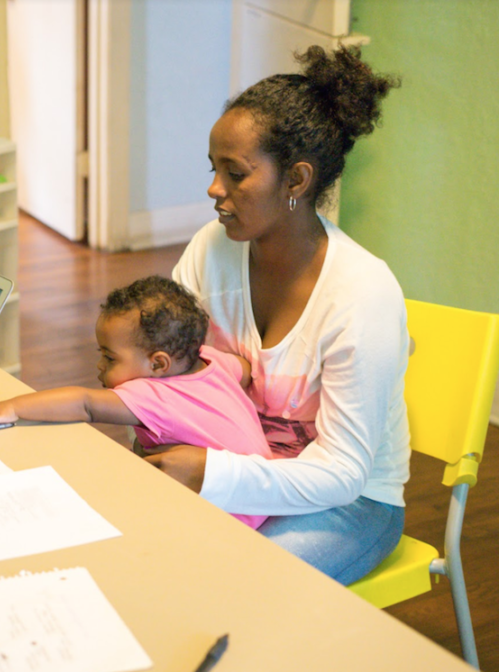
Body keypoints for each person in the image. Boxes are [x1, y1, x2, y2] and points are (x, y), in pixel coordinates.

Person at [153, 46, 408, 585]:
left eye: (236, 173)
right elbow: (164, 365)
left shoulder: (362, 296)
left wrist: (213, 474)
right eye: (213, 168)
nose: (214, 189)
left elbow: (341, 473)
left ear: (295, 180)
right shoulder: (210, 250)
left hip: (348, 503)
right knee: (142, 555)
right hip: (236, 467)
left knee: (229, 585)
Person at [0, 275, 274, 529]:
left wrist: (12, 407)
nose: (99, 366)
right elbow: (244, 371)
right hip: (262, 492)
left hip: (228, 516)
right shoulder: (213, 362)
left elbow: (84, 404)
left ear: (158, 364)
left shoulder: (155, 396)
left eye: (109, 357)